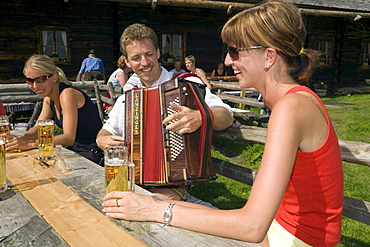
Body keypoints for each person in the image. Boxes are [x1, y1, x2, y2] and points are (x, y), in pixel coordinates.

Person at [102, 1, 343, 246]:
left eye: (235, 51)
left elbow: (251, 227)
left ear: (269, 57)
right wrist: (154, 204)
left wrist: (153, 209)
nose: (227, 61)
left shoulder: (291, 107)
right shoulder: (294, 101)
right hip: (280, 229)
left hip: (298, 239)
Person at [97, 23, 233, 202]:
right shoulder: (128, 98)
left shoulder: (186, 84)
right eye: (136, 58)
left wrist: (201, 116)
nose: (144, 63)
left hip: (173, 184)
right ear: (127, 62)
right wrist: (102, 139)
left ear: (158, 53)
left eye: (149, 54)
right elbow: (104, 132)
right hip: (133, 179)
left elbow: (226, 115)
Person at [4, 54, 104, 165]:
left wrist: (30, 144)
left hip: (93, 155)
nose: (35, 86)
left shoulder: (67, 94)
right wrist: (20, 138)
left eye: (40, 80)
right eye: (30, 81)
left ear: (54, 77)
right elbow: (37, 128)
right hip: (76, 152)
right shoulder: (49, 98)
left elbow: (68, 138)